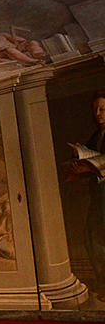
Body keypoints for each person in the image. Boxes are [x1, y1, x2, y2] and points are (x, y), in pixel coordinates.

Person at [69, 92, 105, 300]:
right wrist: (79, 153)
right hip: (99, 195)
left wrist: (88, 168)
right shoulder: (96, 135)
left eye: (102, 109)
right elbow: (90, 156)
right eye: (95, 110)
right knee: (93, 238)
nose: (98, 113)